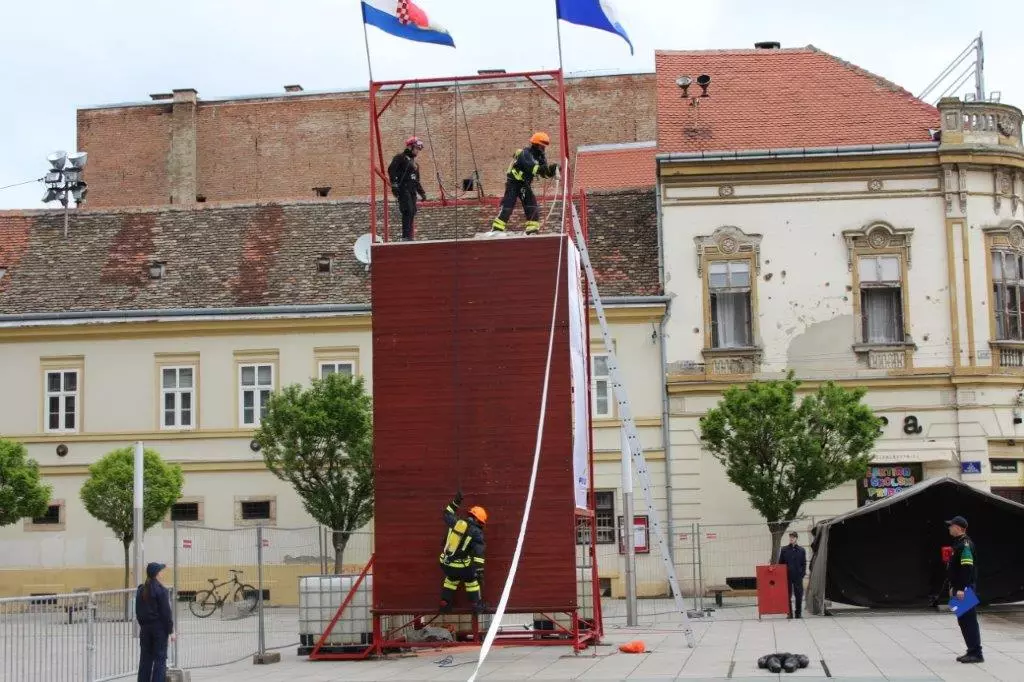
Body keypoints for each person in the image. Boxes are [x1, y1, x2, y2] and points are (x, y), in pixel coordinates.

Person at [490, 132, 558, 236]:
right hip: (514, 183)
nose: (543, 148)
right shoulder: (525, 153)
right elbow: (532, 168)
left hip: (524, 184)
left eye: (544, 146)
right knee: (508, 206)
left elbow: (544, 173)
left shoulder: (541, 157)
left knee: (532, 205)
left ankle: (532, 231)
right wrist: (544, 169)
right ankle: (497, 230)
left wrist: (552, 170)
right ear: (535, 145)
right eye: (541, 146)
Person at [439, 490, 487, 613]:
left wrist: (456, 502)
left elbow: (447, 513)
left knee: (451, 579)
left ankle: (445, 603)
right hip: (462, 567)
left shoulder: (455, 522)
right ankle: (476, 605)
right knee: (471, 580)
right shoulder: (477, 533)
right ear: (478, 520)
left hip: (445, 562)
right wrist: (479, 572)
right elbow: (479, 553)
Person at [946, 515, 983, 663]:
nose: (949, 528)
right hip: (959, 587)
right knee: (963, 620)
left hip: (964, 589)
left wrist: (961, 588)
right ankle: (971, 650)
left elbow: (967, 568)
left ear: (958, 528)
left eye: (951, 525)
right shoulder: (958, 543)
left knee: (969, 621)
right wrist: (953, 587)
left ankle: (976, 653)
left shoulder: (965, 545)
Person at [135, 561, 175, 682]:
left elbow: (138, 611)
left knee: (145, 660)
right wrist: (171, 631)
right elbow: (166, 613)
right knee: (160, 660)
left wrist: (144, 625)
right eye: (161, 571)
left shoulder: (141, 590)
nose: (162, 573)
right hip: (159, 630)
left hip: (145, 629)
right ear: (157, 574)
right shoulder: (161, 591)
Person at [388, 136, 428, 241]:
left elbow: (416, 180)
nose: (418, 151)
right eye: (416, 148)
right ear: (410, 147)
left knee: (413, 211)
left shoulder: (415, 164)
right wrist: (394, 184)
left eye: (419, 149)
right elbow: (391, 170)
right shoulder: (400, 157)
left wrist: (422, 193)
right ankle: (405, 236)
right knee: (408, 210)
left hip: (412, 190)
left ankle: (409, 236)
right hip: (403, 188)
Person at [778, 531, 807, 619]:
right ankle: (789, 613)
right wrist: (782, 575)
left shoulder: (801, 550)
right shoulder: (784, 549)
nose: (791, 538)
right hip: (787, 576)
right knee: (788, 595)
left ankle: (798, 613)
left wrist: (802, 574)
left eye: (793, 537)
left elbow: (804, 563)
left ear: (796, 538)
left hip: (798, 576)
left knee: (799, 595)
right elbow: (780, 563)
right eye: (790, 537)